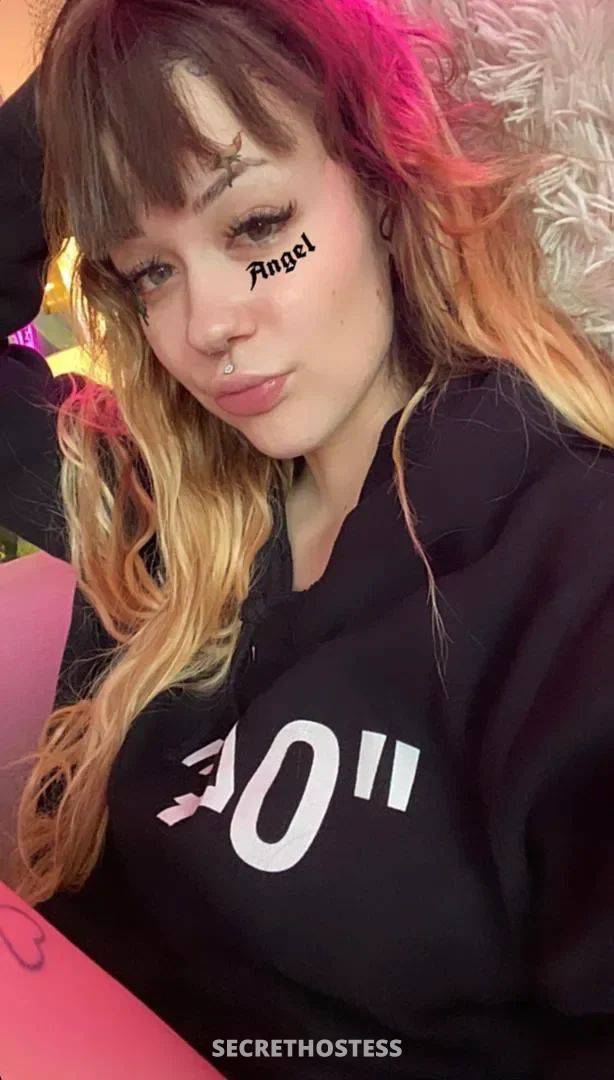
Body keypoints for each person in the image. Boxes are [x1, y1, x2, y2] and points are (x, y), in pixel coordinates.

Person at [1, 0, 613, 1075]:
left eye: (255, 227)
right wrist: (97, 73)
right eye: (149, 270)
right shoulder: (151, 511)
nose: (206, 326)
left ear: (380, 186)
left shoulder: (566, 563)